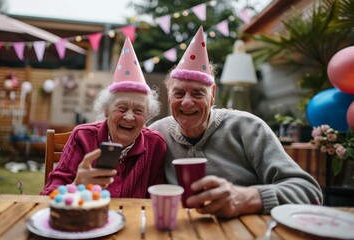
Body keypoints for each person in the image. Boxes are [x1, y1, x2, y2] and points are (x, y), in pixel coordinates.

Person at [149, 26, 323, 218]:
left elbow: (310, 192)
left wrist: (246, 198)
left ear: (213, 95)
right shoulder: (157, 133)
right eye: (179, 93)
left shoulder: (249, 128)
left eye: (198, 93)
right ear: (169, 96)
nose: (187, 102)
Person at [41, 37, 166, 198]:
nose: (129, 117)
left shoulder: (156, 145)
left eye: (138, 110)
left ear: (147, 117)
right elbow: (48, 195)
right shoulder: (83, 136)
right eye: (121, 108)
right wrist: (77, 185)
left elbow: (157, 200)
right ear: (106, 111)